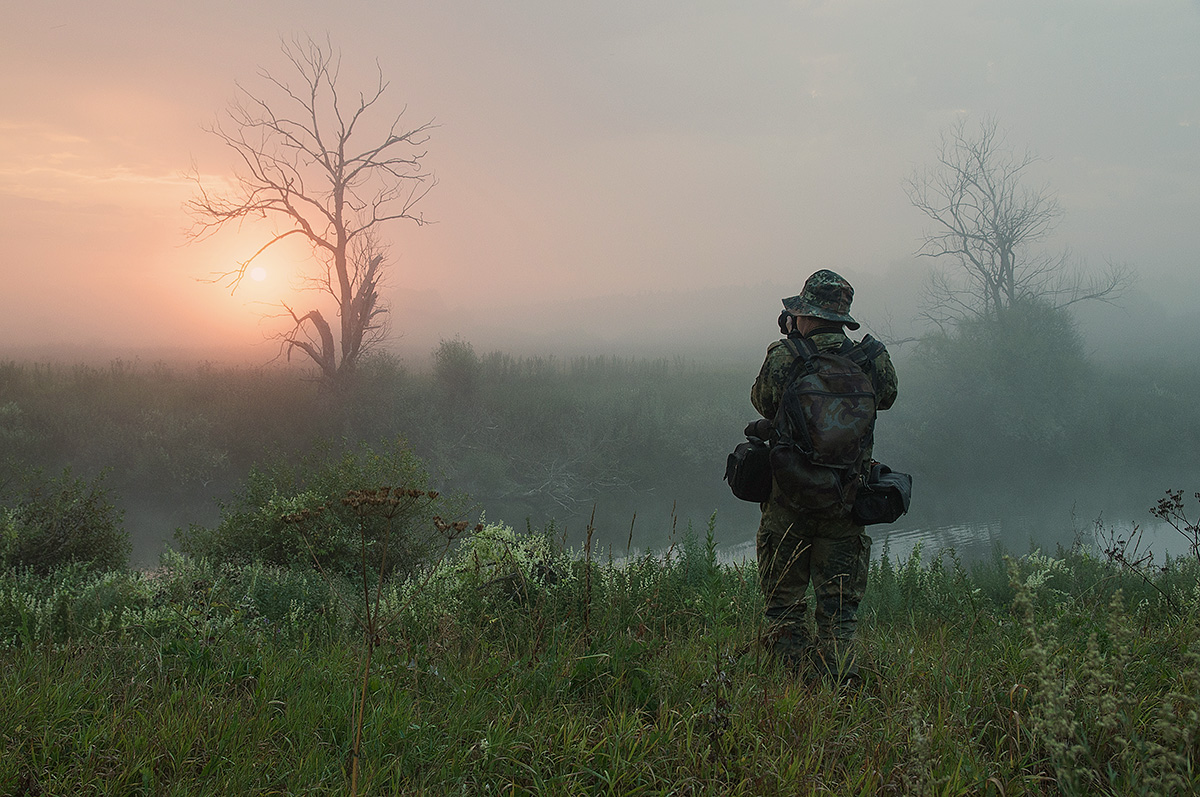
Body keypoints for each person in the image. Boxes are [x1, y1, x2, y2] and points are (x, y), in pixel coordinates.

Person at [750, 269, 898, 685]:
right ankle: (839, 696)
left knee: (784, 607)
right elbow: (886, 398)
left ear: (807, 315)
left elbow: (763, 402)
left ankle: (793, 693)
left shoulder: (785, 357)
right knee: (838, 613)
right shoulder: (871, 360)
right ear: (841, 318)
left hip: (788, 505)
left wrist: (791, 342)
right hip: (845, 503)